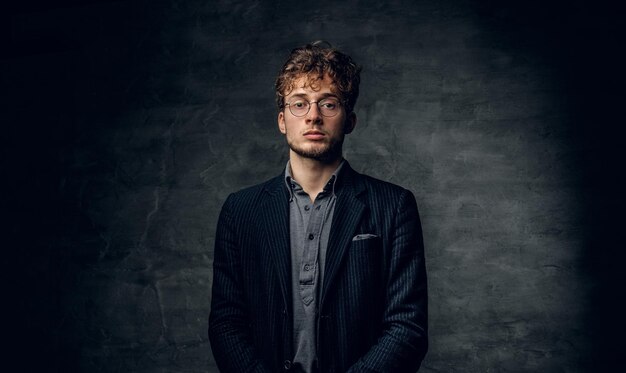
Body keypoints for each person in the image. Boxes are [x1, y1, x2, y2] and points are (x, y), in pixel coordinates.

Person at [209, 41, 428, 373]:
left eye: (328, 103)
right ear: (282, 120)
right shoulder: (240, 211)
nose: (313, 115)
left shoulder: (394, 206)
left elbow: (407, 327)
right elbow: (226, 323)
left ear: (349, 120)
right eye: (299, 104)